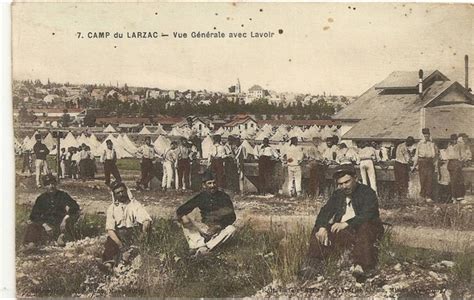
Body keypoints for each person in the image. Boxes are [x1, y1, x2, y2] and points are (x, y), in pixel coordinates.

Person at [301, 165, 384, 282]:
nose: (344, 186)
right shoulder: (338, 194)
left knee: (365, 227)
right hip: (345, 231)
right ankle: (313, 264)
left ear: (355, 178)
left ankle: (361, 266)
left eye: (347, 182)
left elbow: (368, 214)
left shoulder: (367, 192)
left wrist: (347, 223)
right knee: (318, 229)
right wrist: (322, 227)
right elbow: (325, 211)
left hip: (365, 229)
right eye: (340, 184)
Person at [176, 170, 236, 256]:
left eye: (214, 183)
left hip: (219, 229)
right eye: (209, 183)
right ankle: (200, 246)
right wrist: (183, 217)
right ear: (204, 185)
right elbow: (181, 210)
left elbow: (232, 216)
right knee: (185, 222)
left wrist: (219, 226)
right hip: (204, 228)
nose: (212, 186)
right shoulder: (201, 197)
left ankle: (205, 248)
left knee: (231, 229)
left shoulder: (224, 197)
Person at [101, 181, 152, 272]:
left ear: (126, 191)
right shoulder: (112, 208)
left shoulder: (134, 205)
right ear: (114, 195)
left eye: (122, 191)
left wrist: (143, 233)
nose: (121, 194)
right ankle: (108, 264)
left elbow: (146, 220)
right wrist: (121, 245)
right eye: (118, 193)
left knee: (137, 248)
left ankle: (134, 262)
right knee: (110, 242)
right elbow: (110, 230)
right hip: (119, 235)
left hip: (133, 233)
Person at [23, 174, 80, 247]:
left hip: (60, 223)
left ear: (56, 184)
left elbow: (75, 207)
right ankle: (31, 244)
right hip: (47, 223)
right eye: (48, 184)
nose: (51, 186)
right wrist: (44, 224)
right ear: (45, 186)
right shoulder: (41, 198)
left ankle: (62, 236)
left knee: (70, 219)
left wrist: (66, 218)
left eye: (53, 183)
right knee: (32, 225)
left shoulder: (62, 195)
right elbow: (34, 215)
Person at [412, 128, 438, 203]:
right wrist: (414, 166)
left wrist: (435, 165)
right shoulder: (419, 144)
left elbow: (436, 155)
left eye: (427, 135)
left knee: (429, 179)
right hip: (422, 162)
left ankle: (428, 196)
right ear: (423, 136)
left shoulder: (432, 144)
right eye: (425, 135)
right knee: (423, 179)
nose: (426, 136)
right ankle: (422, 196)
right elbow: (416, 155)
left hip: (430, 162)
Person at [446, 134, 465, 203]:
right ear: (450, 140)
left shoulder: (459, 146)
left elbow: (463, 155)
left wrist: (460, 162)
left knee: (457, 180)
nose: (454, 141)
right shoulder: (449, 147)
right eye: (452, 139)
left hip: (457, 163)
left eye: (455, 139)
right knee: (452, 181)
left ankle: (459, 196)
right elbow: (446, 155)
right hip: (450, 163)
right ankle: (453, 197)